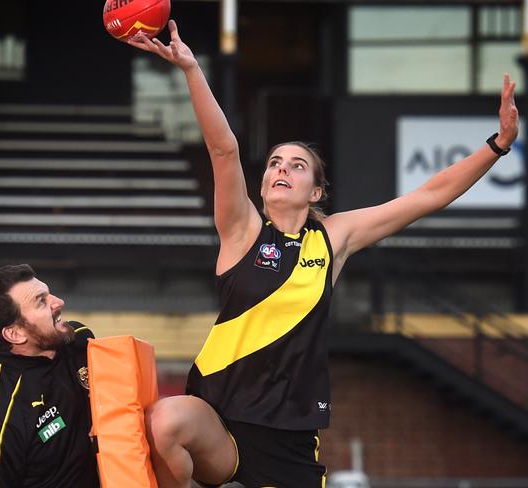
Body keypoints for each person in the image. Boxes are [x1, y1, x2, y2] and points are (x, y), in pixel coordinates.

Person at [129, 20, 519, 488]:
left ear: (316, 191)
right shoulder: (242, 231)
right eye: (274, 162)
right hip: (219, 416)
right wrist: (191, 69)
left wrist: (497, 146)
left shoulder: (333, 239)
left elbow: (427, 197)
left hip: (289, 437)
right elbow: (223, 149)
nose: (281, 170)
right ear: (262, 182)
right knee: (165, 421)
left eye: (297, 166)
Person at [0, 264, 99, 488]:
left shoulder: (81, 340)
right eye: (41, 301)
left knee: (164, 420)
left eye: (49, 293)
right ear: (14, 333)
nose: (59, 302)